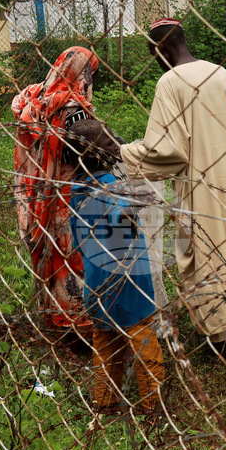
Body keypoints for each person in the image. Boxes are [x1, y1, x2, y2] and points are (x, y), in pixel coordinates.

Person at [121, 19, 226, 355]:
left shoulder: (169, 82)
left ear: (163, 49)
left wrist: (124, 153)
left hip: (197, 183)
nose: (156, 61)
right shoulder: (218, 72)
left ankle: (219, 336)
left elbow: (168, 151)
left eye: (154, 55)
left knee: (205, 252)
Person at [68, 119, 164, 420]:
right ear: (97, 154)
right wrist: (137, 203)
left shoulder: (75, 189)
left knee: (104, 341)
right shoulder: (110, 185)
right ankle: (152, 405)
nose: (118, 147)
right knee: (143, 337)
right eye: (111, 144)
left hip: (96, 280)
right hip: (129, 278)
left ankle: (104, 403)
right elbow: (116, 216)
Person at [12, 47, 99, 340]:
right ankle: (75, 321)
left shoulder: (33, 98)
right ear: (81, 74)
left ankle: (53, 316)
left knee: (51, 253)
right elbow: (83, 157)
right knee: (70, 254)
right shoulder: (73, 109)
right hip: (66, 191)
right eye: (90, 73)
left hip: (35, 189)